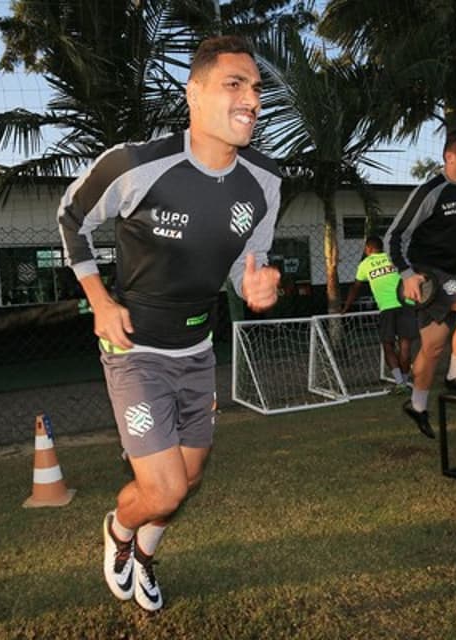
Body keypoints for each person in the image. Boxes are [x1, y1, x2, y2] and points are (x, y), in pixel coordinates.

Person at [57, 35, 281, 612]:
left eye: (255, 88)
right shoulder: (137, 163)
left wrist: (256, 283)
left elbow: (244, 263)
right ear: (195, 93)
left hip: (198, 349)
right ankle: (119, 533)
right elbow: (71, 216)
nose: (251, 99)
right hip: (134, 351)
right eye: (234, 84)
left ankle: (147, 556)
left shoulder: (265, 182)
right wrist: (100, 301)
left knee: (191, 477)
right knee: (164, 488)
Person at [384, 127, 456, 439]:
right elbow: (394, 235)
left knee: (432, 348)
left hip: (449, 275)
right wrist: (406, 274)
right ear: (450, 156)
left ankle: (417, 406)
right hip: (427, 276)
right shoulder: (431, 190)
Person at [342, 235, 418, 394]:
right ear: (382, 248)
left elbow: (355, 287)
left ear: (368, 249)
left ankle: (400, 383)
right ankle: (404, 382)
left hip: (387, 307)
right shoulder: (395, 258)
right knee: (405, 346)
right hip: (407, 304)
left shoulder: (365, 264)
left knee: (388, 345)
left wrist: (346, 307)